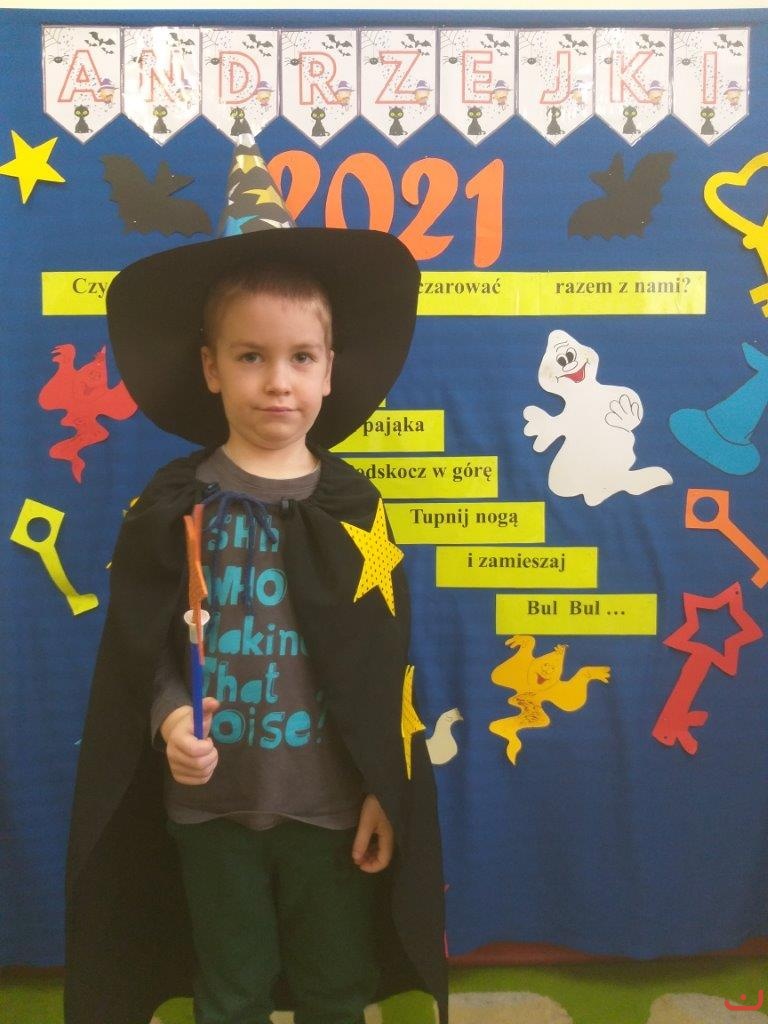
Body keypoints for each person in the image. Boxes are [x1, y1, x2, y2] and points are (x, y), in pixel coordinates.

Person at [64, 226, 448, 1024]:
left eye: (301, 357)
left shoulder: (354, 510)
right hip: (212, 812)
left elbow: (383, 673)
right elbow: (140, 653)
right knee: (231, 990)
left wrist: (384, 790)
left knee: (334, 988)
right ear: (211, 367)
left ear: (330, 369)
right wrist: (171, 716)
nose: (278, 382)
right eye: (250, 356)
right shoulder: (174, 504)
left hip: (330, 812)